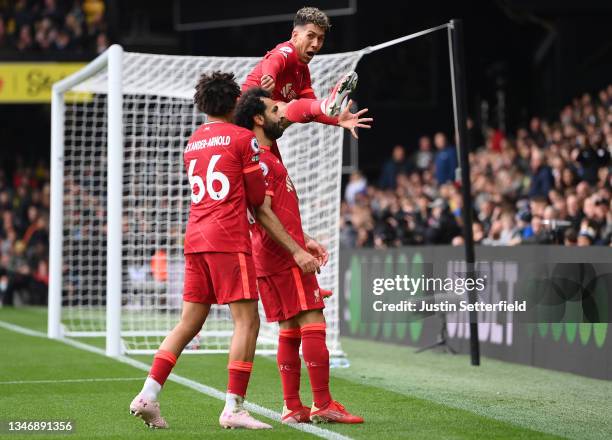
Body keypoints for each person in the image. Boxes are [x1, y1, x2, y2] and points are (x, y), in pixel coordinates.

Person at [129, 72, 272, 430]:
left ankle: (148, 394)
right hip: (228, 238)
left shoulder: (191, 143)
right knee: (247, 321)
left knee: (189, 322)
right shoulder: (243, 138)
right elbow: (256, 198)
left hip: (195, 238)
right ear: (235, 102)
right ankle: (234, 407)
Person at [234, 87, 364, 424]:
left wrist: (304, 239)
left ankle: (293, 406)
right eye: (275, 109)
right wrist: (296, 251)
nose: (282, 113)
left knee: (289, 328)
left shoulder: (263, 156)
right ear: (259, 119)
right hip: (281, 257)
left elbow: (273, 211)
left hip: (268, 255)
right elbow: (263, 213)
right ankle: (323, 403)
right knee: (313, 320)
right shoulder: (261, 160)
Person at [242, 7, 372, 160]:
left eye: (320, 38)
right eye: (310, 36)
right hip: (242, 121)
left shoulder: (303, 74)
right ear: (295, 36)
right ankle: (327, 103)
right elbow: (274, 60)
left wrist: (338, 120)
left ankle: (327, 104)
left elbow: (311, 109)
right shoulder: (287, 50)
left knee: (282, 182)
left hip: (261, 134)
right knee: (283, 108)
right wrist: (269, 76)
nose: (316, 44)